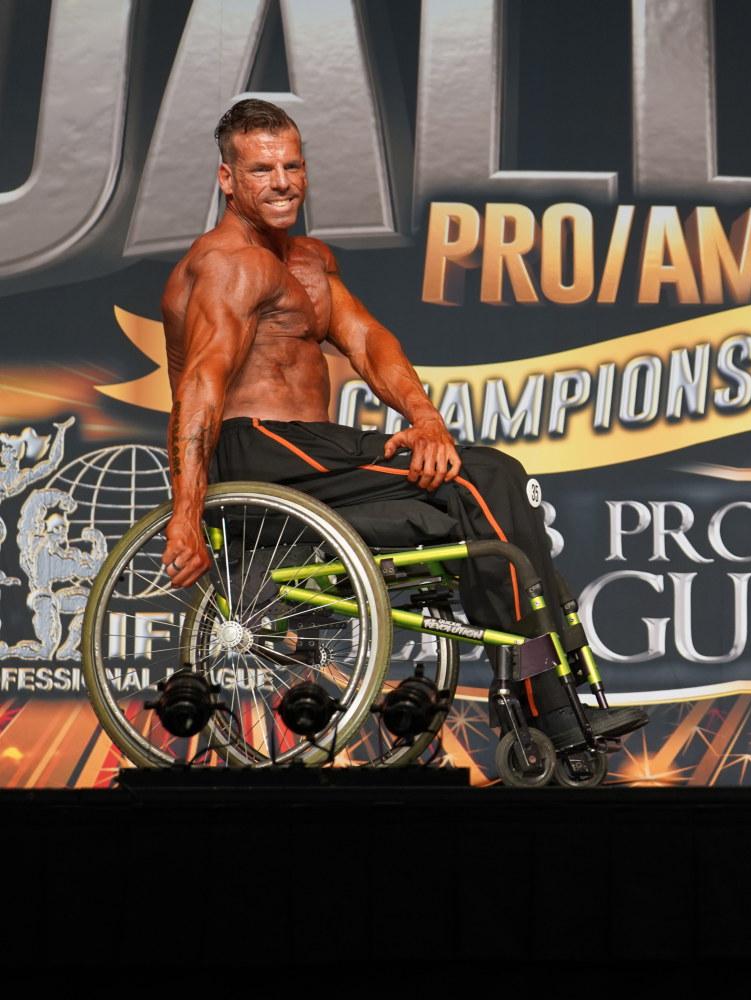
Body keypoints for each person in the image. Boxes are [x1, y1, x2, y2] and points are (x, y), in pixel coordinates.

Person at [159, 98, 646, 747]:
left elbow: (368, 342)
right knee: (480, 479)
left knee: (493, 486)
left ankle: (544, 690)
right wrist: (186, 510)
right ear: (227, 178)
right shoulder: (228, 265)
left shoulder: (307, 262)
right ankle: (544, 702)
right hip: (259, 451)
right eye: (261, 170)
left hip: (311, 457)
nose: (282, 182)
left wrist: (426, 420)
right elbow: (201, 384)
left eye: (292, 166)